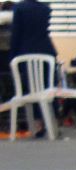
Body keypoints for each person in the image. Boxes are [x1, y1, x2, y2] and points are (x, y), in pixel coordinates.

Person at [9, 0, 57, 137]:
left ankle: (36, 125)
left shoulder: (19, 9)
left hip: (25, 53)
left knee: (31, 89)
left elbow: (16, 34)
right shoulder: (46, 9)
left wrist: (12, 56)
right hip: (47, 52)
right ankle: (50, 120)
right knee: (47, 87)